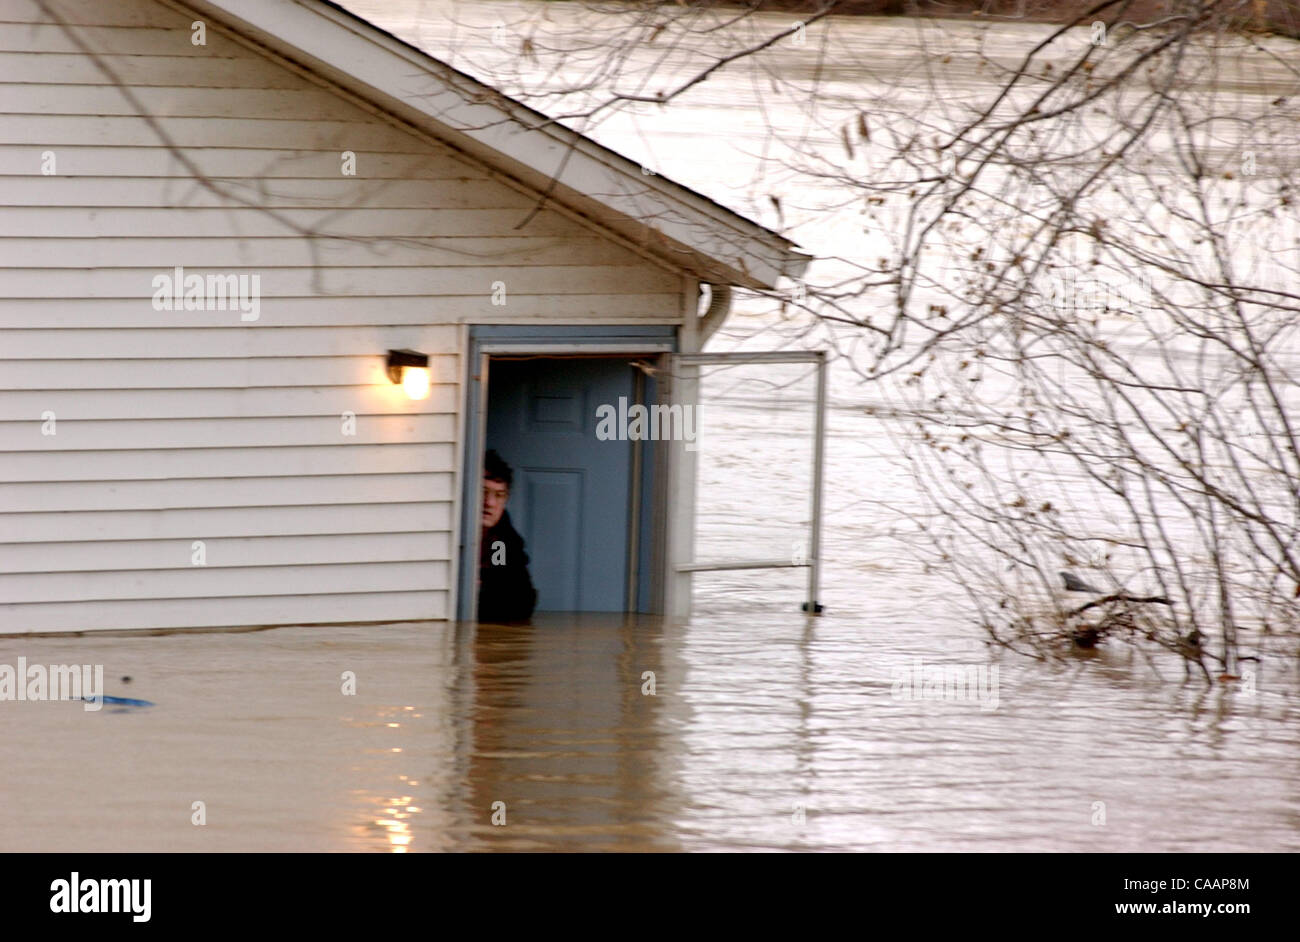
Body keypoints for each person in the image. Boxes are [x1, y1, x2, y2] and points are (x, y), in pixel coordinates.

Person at [477, 450, 537, 622]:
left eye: (498, 495)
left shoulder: (500, 542)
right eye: (483, 491)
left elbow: (520, 602)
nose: (489, 503)